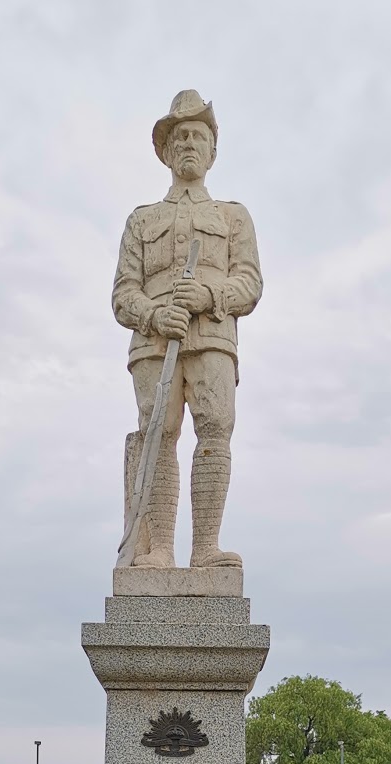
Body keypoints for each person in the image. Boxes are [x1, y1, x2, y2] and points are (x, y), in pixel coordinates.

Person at [113, 90, 263, 569]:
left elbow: (250, 282)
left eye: (200, 135)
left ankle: (205, 549)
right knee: (158, 432)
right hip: (154, 343)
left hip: (214, 337)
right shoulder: (142, 220)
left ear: (214, 150)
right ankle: (158, 548)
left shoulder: (233, 217)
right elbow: (123, 293)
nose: (190, 144)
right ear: (165, 151)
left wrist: (210, 297)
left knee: (216, 429)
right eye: (181, 137)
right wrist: (155, 315)